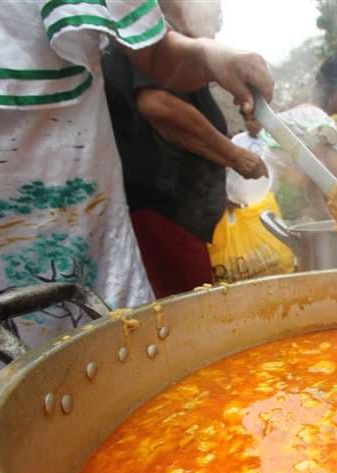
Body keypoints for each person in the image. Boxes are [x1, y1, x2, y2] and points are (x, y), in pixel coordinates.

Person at [0, 1, 273, 349]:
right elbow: (155, 101)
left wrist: (212, 56)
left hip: (96, 243)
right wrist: (233, 154)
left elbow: (156, 53)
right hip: (155, 209)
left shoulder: (148, 33)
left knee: (126, 359)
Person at [102, 0, 267, 299]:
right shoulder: (148, 45)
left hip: (179, 218)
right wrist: (236, 156)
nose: (216, 26)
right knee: (193, 318)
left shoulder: (181, 59)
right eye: (213, 13)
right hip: (163, 214)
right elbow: (158, 105)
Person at [261, 52, 337, 222]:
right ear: (331, 84)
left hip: (266, 214)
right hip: (266, 214)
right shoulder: (316, 119)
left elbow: (312, 190)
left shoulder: (302, 115)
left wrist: (332, 225)